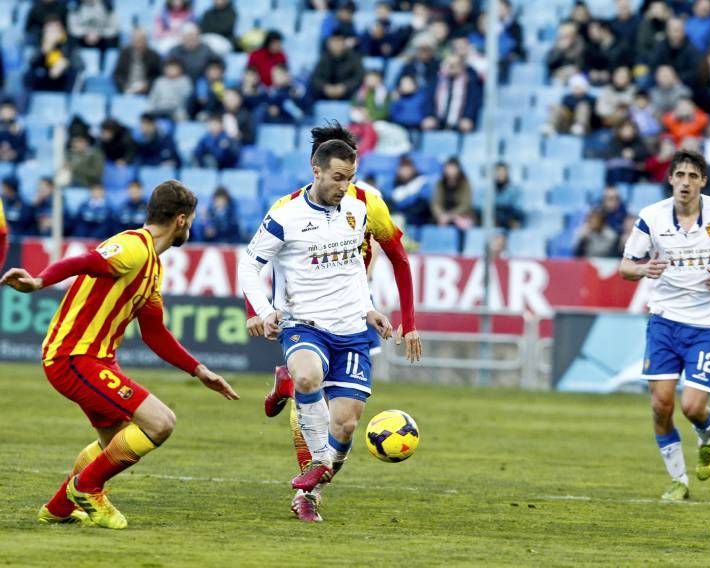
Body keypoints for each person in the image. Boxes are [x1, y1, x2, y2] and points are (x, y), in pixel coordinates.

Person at [0, 180, 239, 529]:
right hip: (73, 357)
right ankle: (87, 487)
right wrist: (38, 282)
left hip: (93, 360)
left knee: (114, 443)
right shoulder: (133, 247)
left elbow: (154, 333)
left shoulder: (152, 267)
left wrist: (199, 370)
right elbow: (84, 261)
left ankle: (58, 508)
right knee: (160, 423)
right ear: (182, 220)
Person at [244, 123, 422, 522]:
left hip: (353, 319)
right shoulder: (286, 211)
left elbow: (385, 261)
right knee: (309, 384)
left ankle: (314, 484)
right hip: (304, 320)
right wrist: (256, 311)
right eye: (338, 175)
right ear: (318, 167)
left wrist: (384, 312)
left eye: (350, 176)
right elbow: (253, 265)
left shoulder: (365, 206)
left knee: (343, 423)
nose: (344, 185)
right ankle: (310, 455)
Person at [618, 149, 710, 502]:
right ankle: (678, 480)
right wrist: (644, 268)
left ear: (703, 182)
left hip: (708, 323)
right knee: (661, 405)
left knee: (692, 407)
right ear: (671, 179)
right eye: (680, 175)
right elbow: (625, 267)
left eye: (693, 176)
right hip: (664, 320)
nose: (685, 182)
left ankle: (709, 436)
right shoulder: (652, 217)